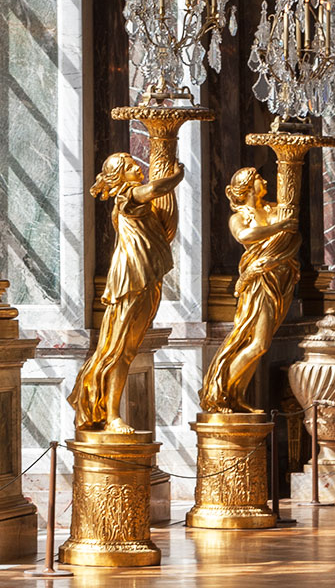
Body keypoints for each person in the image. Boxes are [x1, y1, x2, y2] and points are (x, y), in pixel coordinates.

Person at [69, 145, 186, 433]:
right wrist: (177, 174)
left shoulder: (134, 202)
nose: (139, 169)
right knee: (118, 350)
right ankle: (111, 416)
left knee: (127, 350)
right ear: (121, 177)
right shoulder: (128, 197)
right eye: (133, 166)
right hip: (130, 282)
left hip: (144, 279)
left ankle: (109, 412)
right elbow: (157, 187)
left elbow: (161, 225)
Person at [202, 166, 301, 413]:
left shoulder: (275, 210)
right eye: (258, 177)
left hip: (279, 281)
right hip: (258, 283)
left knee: (258, 344)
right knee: (258, 343)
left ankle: (235, 398)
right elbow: (246, 236)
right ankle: (219, 394)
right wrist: (280, 228)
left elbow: (294, 237)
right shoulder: (239, 217)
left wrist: (279, 254)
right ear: (246, 187)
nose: (264, 180)